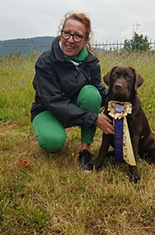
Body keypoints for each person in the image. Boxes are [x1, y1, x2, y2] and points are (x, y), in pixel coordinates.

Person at [30, 12, 114, 167]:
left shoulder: (91, 63)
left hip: (75, 109)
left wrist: (118, 102)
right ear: (61, 33)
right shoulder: (45, 62)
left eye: (77, 36)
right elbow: (53, 100)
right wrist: (93, 118)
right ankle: (52, 129)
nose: (70, 40)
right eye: (67, 33)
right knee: (53, 142)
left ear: (85, 40)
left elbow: (98, 89)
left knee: (91, 93)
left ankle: (85, 151)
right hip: (47, 109)